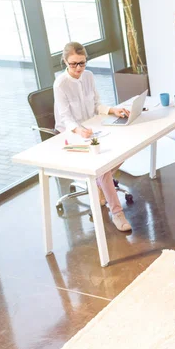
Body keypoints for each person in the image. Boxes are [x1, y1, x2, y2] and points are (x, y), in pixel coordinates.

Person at [54, 42, 132, 232]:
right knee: (103, 168)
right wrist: (79, 130)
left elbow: (96, 105)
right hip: (71, 134)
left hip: (93, 129)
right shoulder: (60, 84)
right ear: (65, 61)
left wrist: (112, 110)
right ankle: (117, 213)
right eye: (74, 64)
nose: (79, 68)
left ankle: (99, 184)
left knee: (124, 149)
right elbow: (65, 118)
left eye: (82, 63)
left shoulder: (88, 76)